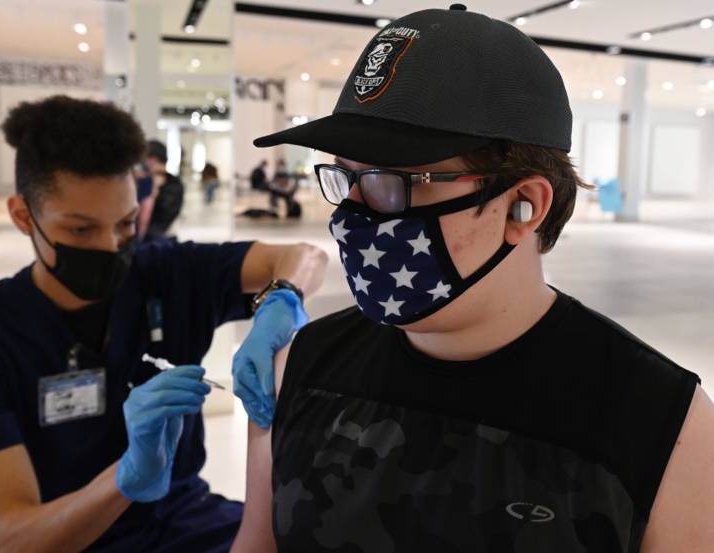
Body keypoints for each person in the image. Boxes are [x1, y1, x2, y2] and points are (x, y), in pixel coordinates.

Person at [236, 5, 714, 552]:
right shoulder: (302, 366)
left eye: (389, 182)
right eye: (344, 176)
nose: (351, 212)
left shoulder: (662, 428)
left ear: (523, 205)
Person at [0, 95, 327, 553]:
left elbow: (303, 257)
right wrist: (125, 479)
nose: (109, 246)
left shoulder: (164, 275)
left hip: (183, 522)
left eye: (125, 224)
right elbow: (13, 541)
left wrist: (282, 298)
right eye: (80, 230)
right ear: (22, 216)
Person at [138, 140, 184, 241]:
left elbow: (144, 219)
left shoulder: (151, 181)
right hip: (166, 237)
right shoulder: (176, 182)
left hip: (151, 239)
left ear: (153, 159)